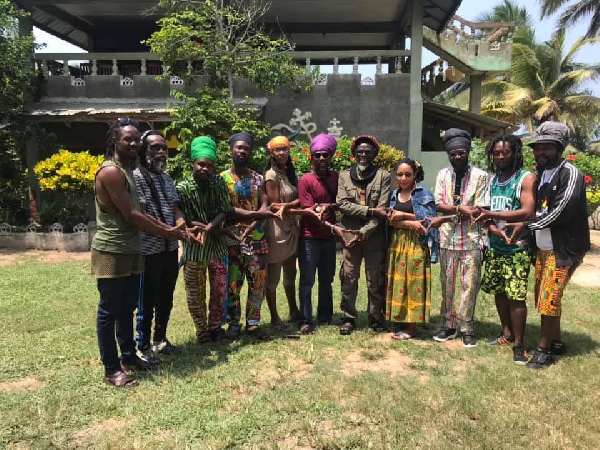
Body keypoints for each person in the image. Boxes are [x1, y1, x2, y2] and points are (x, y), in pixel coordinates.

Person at [92, 118, 184, 388]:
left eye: (135, 139)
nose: (132, 144)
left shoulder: (128, 171)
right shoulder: (110, 172)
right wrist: (169, 233)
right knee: (109, 311)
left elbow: (141, 213)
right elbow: (132, 215)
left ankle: (129, 356)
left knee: (127, 308)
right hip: (112, 249)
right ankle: (112, 369)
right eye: (127, 139)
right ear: (114, 141)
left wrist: (170, 229)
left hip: (132, 249)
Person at [505, 121, 590, 369]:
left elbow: (561, 211)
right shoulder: (542, 174)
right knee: (545, 296)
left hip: (564, 248)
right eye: (537, 148)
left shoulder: (570, 173)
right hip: (543, 247)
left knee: (549, 297)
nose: (540, 152)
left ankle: (543, 351)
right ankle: (556, 341)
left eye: (547, 148)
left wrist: (526, 225)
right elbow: (537, 210)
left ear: (560, 148)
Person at [472, 135, 536, 364]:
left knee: (516, 296)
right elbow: (485, 212)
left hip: (517, 249)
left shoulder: (525, 178)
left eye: (505, 153)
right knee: (499, 292)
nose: (500, 157)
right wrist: (491, 225)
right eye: (496, 153)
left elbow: (528, 211)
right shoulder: (493, 180)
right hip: (496, 246)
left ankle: (520, 345)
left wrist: (493, 215)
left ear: (515, 153)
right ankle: (506, 332)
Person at [429, 128, 490, 347]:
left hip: (472, 240)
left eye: (461, 153)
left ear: (468, 152)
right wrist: (462, 209)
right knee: (447, 285)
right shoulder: (443, 175)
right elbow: (438, 203)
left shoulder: (481, 177)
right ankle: (448, 325)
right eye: (453, 154)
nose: (457, 157)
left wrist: (454, 210)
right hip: (447, 239)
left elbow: (480, 210)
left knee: (469, 285)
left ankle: (467, 327)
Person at [371, 159, 438, 340]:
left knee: (413, 282)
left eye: (408, 174)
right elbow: (390, 219)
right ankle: (400, 318)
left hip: (416, 243)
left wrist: (403, 216)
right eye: (400, 174)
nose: (403, 178)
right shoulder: (392, 195)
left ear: (415, 174)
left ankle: (412, 326)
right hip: (396, 243)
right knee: (398, 281)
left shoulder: (424, 194)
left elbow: (430, 219)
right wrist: (410, 222)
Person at [221, 132, 279, 340]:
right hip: (232, 240)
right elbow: (226, 210)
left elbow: (265, 204)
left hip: (257, 239)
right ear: (231, 150)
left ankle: (253, 324)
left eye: (246, 148)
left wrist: (253, 223)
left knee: (258, 282)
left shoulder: (258, 178)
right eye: (238, 147)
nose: (242, 151)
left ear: (250, 151)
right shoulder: (222, 179)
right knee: (233, 284)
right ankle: (234, 324)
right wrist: (256, 215)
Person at [133, 130, 183, 364]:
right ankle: (142, 347)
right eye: (155, 147)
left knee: (166, 297)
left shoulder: (167, 178)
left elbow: (175, 209)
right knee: (147, 300)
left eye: (164, 147)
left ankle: (160, 340)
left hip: (170, 248)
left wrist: (182, 225)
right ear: (144, 150)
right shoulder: (135, 177)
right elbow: (143, 215)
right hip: (149, 249)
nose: (161, 151)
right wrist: (169, 231)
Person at [176, 136, 232, 344]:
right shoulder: (182, 188)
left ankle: (216, 326)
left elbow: (224, 210)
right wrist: (196, 224)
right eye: (201, 164)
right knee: (195, 292)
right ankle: (202, 330)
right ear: (193, 164)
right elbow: (182, 216)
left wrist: (208, 226)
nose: (204, 169)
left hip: (217, 247)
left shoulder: (218, 183)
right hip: (194, 249)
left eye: (209, 165)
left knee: (219, 291)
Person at [337, 135, 391, 335]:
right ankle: (348, 318)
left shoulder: (383, 176)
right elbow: (342, 204)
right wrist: (369, 211)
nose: (363, 155)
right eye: (360, 151)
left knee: (374, 279)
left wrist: (364, 231)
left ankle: (376, 318)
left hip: (374, 237)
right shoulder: (344, 176)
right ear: (354, 154)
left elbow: (382, 210)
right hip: (349, 237)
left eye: (368, 152)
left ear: (374, 154)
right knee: (349, 278)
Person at [297, 134, 347, 334]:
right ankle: (305, 320)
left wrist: (329, 205)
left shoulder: (337, 177)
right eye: (317, 155)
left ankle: (325, 316)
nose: (321, 159)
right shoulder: (306, 180)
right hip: (309, 237)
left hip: (328, 239)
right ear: (312, 158)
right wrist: (331, 220)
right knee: (307, 280)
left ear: (331, 156)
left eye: (325, 155)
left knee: (327, 279)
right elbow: (310, 211)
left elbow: (342, 203)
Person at [264, 136, 302, 328]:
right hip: (277, 230)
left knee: (290, 274)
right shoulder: (271, 175)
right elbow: (275, 205)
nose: (281, 153)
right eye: (277, 150)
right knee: (273, 278)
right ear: (272, 153)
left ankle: (293, 310)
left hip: (292, 227)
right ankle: (274, 317)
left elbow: (289, 202)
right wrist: (295, 204)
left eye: (284, 149)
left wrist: (290, 205)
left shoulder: (289, 173)